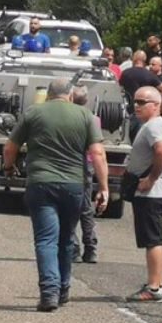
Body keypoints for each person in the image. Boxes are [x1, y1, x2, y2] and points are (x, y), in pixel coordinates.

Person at [3, 79, 109, 312]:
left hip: (40, 183)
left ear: (48, 95)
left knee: (45, 239)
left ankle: (49, 292)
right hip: (74, 185)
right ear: (70, 95)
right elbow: (98, 154)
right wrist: (103, 187)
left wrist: (9, 168)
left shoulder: (33, 113)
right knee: (67, 237)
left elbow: (10, 148)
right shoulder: (85, 116)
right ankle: (63, 289)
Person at [125, 86, 162, 302]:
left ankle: (154, 288)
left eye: (142, 102)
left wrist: (151, 179)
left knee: (153, 240)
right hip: (150, 192)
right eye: (135, 101)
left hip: (151, 193)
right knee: (152, 239)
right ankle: (156, 282)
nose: (137, 106)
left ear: (156, 105)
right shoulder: (153, 125)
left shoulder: (154, 126)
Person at [69, 85, 99, 264]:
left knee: (69, 208)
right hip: (87, 165)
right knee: (86, 208)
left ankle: (73, 248)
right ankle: (91, 248)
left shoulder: (69, 118)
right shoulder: (93, 119)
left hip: (71, 166)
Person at [120, 51, 162, 141]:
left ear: (134, 59)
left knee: (125, 138)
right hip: (144, 113)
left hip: (128, 111)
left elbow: (118, 89)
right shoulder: (149, 75)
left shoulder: (125, 73)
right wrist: (156, 99)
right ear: (144, 61)